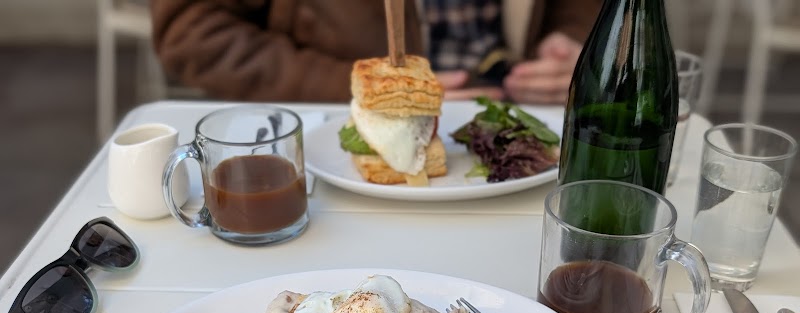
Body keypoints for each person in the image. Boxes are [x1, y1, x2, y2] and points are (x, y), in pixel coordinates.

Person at [150, 0, 602, 105]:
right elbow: (193, 33)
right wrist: (362, 87)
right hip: (337, 138)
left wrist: (577, 41)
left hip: (521, 114)